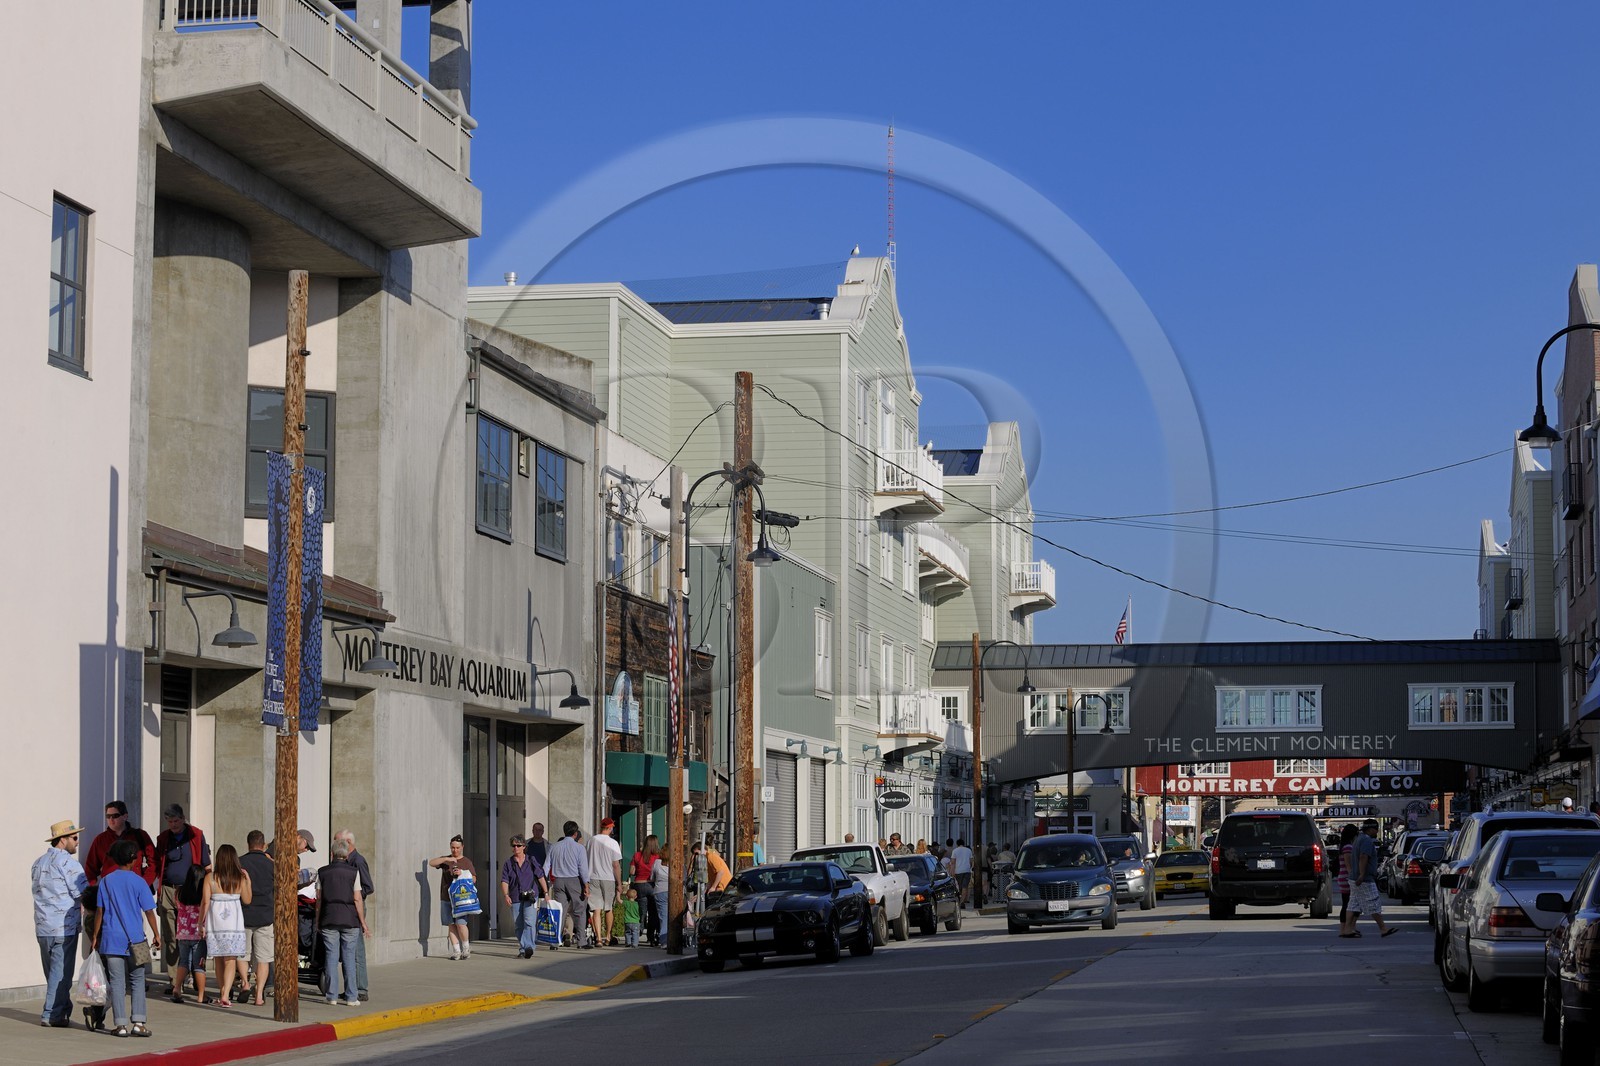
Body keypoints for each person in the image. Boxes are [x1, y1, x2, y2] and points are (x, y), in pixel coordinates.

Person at [92, 838, 160, 1038]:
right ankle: (138, 1023)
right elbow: (149, 911)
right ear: (133, 859)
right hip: (136, 939)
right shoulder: (139, 881)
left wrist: (95, 936)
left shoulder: (106, 881)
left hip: (111, 939)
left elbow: (99, 911)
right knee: (138, 979)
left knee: (117, 983)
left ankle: (120, 1025)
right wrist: (156, 934)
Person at [32, 819, 86, 1028]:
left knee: (53, 974)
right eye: (74, 837)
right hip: (64, 927)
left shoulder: (38, 862)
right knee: (61, 973)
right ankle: (51, 1014)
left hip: (43, 926)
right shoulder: (69, 863)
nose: (77, 841)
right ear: (62, 840)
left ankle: (61, 1010)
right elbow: (82, 892)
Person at [83, 801, 156, 956]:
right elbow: (90, 868)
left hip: (129, 937)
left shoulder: (139, 836)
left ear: (125, 816)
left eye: (115, 816)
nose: (111, 820)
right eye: (108, 816)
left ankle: (132, 969)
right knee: (121, 971)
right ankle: (118, 970)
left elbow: (153, 862)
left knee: (130, 973)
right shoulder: (101, 840)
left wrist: (145, 882)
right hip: (117, 941)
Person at [154, 804, 211, 971]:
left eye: (176, 820)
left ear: (183, 818)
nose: (173, 824)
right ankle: (174, 980)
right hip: (169, 890)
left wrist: (208, 889)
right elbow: (158, 865)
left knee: (194, 934)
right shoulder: (163, 838)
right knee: (171, 936)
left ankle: (196, 972)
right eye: (170, 821)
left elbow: (206, 864)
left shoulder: (196, 835)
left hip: (192, 891)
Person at [316, 838, 367, 1005]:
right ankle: (352, 997)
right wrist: (363, 922)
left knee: (331, 956)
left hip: (329, 917)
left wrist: (317, 920)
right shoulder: (353, 872)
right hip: (350, 919)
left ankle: (331, 996)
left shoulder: (322, 872)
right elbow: (358, 899)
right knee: (349, 957)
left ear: (332, 854)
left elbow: (319, 900)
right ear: (346, 854)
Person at [202, 844, 251, 1005]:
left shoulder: (210, 878)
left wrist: (200, 922)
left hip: (216, 924)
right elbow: (247, 900)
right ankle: (224, 994)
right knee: (231, 959)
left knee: (218, 958)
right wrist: (248, 881)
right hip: (234, 924)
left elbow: (205, 902)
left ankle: (223, 990)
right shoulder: (239, 878)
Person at [333, 829, 373, 1001]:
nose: (334, 846)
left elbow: (368, 887)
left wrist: (352, 894)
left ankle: (361, 988)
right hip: (347, 908)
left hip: (355, 907)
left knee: (356, 950)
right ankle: (352, 988)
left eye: (337, 842)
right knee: (348, 950)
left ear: (348, 843)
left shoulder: (358, 861)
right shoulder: (344, 860)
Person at [1340, 819, 1395, 939]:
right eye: (1376, 829)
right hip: (1363, 879)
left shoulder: (1358, 839)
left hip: (1354, 878)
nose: (1377, 831)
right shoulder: (1366, 841)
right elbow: (1363, 857)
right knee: (1373, 902)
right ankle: (1383, 928)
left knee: (1353, 904)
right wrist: (1362, 874)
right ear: (1370, 829)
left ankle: (1347, 929)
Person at [237, 830, 274, 1006]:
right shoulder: (271, 864)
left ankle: (245, 983)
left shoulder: (240, 862)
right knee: (263, 957)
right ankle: (259, 995)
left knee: (243, 954)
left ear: (248, 843)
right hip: (265, 915)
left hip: (244, 914)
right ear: (263, 844)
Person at [428, 835, 476, 960]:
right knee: (451, 924)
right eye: (453, 848)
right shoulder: (446, 860)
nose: (455, 850)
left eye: (458, 848)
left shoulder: (466, 862)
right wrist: (445, 859)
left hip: (461, 899)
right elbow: (431, 863)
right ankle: (456, 951)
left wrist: (462, 873)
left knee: (461, 924)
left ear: (462, 847)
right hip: (446, 897)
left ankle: (466, 948)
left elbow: (474, 879)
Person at [500, 833, 547, 959]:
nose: (515, 848)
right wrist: (506, 895)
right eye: (513, 846)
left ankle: (528, 947)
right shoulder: (508, 863)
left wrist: (546, 893)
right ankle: (523, 948)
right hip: (515, 896)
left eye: (518, 845)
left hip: (531, 896)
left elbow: (541, 876)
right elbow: (504, 880)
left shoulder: (531, 860)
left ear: (524, 847)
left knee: (529, 922)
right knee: (518, 924)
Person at [545, 821, 590, 949]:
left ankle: (555, 942)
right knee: (579, 910)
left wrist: (546, 885)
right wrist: (586, 884)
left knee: (560, 911)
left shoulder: (554, 846)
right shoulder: (579, 848)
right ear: (575, 834)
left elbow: (546, 866)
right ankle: (581, 941)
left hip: (558, 880)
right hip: (574, 880)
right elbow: (583, 869)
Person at [167, 864, 207, 1005]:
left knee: (183, 961)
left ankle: (177, 987)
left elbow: (176, 905)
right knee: (199, 964)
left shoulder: (179, 892)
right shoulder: (203, 893)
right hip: (198, 934)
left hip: (183, 933)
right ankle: (201, 995)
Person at [587, 818, 623, 947]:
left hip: (593, 876)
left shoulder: (591, 840)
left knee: (596, 909)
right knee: (609, 908)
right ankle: (608, 936)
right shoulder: (613, 843)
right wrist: (619, 883)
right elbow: (616, 865)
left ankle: (598, 938)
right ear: (611, 827)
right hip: (608, 877)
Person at [629, 834, 662, 947]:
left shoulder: (637, 855)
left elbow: (632, 872)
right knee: (653, 913)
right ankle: (651, 938)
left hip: (639, 885)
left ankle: (637, 934)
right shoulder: (658, 857)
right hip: (652, 885)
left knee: (641, 913)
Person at [1335, 824, 1358, 926]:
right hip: (1347, 879)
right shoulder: (1348, 847)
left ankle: (1346, 928)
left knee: (1347, 904)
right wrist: (1354, 879)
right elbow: (1349, 866)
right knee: (1350, 905)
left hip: (1343, 878)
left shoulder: (1344, 846)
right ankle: (1347, 928)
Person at [650, 854, 670, 947]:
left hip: (660, 891)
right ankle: (676, 939)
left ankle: (664, 941)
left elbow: (652, 877)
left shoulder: (657, 862)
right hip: (675, 891)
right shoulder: (678, 862)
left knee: (664, 917)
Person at [951, 838, 975, 907]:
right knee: (965, 886)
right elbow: (971, 861)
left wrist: (952, 872)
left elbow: (953, 862)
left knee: (959, 886)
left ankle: (960, 900)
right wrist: (969, 867)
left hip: (958, 871)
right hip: (967, 870)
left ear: (957, 844)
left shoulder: (955, 851)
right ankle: (962, 901)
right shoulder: (968, 850)